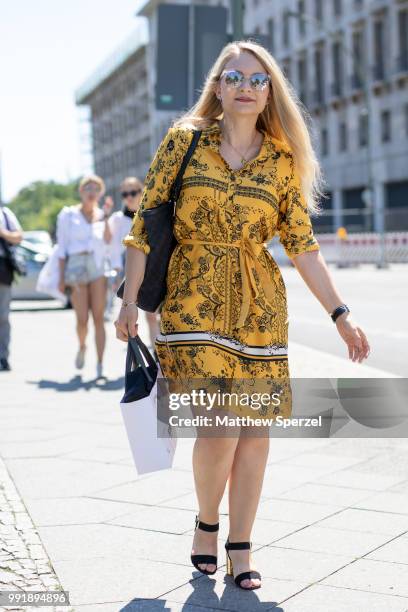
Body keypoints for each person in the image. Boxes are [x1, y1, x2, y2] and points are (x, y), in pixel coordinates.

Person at [114, 41, 371, 590]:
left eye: (258, 80)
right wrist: (130, 302)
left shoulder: (281, 159)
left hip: (259, 308)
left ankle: (241, 543)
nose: (247, 87)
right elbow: (144, 227)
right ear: (218, 86)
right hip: (193, 301)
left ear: (270, 91)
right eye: (235, 77)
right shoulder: (185, 141)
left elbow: (303, 246)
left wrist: (340, 314)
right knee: (221, 427)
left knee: (254, 431)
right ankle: (207, 527)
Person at [56, 175, 113, 379]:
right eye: (87, 188)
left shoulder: (103, 215)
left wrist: (106, 217)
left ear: (100, 193)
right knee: (82, 319)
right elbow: (61, 248)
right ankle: (82, 346)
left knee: (99, 318)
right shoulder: (68, 215)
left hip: (97, 265)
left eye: (95, 188)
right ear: (81, 191)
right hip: (76, 266)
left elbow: (108, 240)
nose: (91, 192)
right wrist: (61, 278)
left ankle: (100, 364)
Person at [108, 177, 160, 347]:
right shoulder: (117, 219)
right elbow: (114, 247)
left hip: (154, 266)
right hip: (131, 270)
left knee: (155, 314)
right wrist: (116, 272)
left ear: (141, 192)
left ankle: (158, 352)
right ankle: (155, 353)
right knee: (144, 313)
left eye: (133, 192)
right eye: (125, 194)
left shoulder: (152, 212)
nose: (129, 197)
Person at [0, 205, 23, 371]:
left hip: (2, 269)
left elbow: (18, 236)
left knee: (3, 316)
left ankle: (3, 357)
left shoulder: (5, 213)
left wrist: (2, 232)